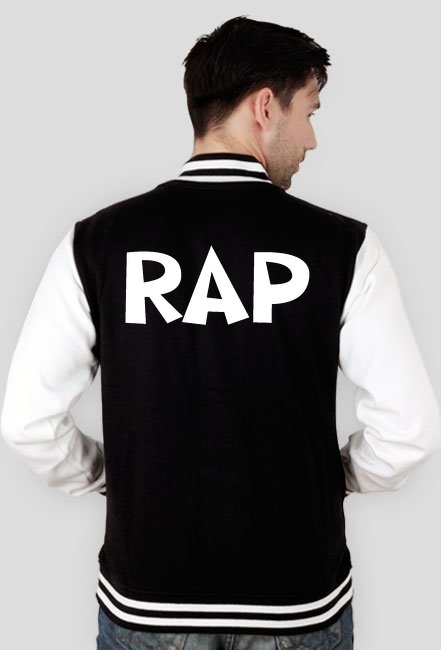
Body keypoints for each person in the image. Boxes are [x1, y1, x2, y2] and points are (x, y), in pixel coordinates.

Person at [1, 14, 440, 650]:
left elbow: (28, 422)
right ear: (265, 107)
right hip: (296, 603)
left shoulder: (96, 242)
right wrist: (330, 477)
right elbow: (409, 430)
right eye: (309, 112)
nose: (312, 139)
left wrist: (112, 477)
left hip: (149, 603)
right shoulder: (344, 247)